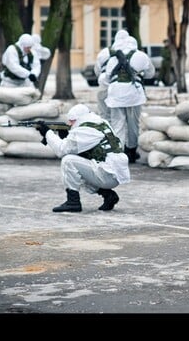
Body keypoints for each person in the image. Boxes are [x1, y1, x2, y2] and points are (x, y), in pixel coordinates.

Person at [37, 103, 130, 213]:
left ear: (79, 119)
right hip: (114, 174)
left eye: (72, 121)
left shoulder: (85, 130)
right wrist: (66, 136)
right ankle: (108, 195)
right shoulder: (101, 123)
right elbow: (83, 150)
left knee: (68, 161)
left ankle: (73, 202)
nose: (70, 124)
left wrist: (47, 133)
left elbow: (61, 150)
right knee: (78, 166)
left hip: (107, 175)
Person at [104, 35, 156, 163]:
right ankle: (131, 151)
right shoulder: (141, 56)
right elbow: (151, 73)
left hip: (115, 95)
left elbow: (106, 78)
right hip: (134, 95)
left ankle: (118, 153)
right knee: (133, 124)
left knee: (118, 124)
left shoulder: (112, 59)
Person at [94, 29, 129, 121]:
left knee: (104, 115)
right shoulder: (131, 53)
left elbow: (97, 70)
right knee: (122, 118)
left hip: (104, 84)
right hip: (124, 87)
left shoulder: (104, 52)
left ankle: (106, 132)